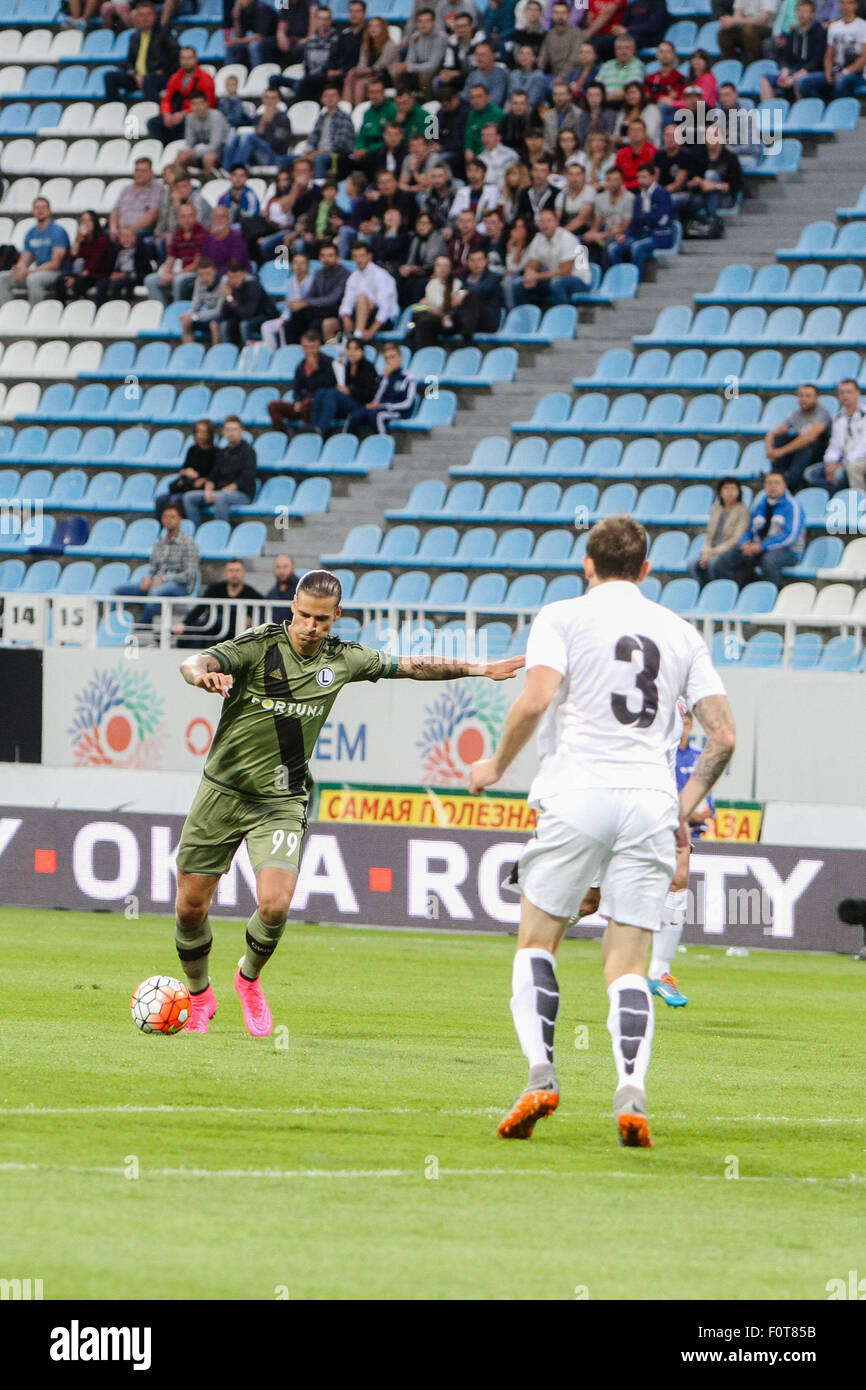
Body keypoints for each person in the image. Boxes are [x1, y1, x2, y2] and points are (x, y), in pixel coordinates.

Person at [467, 513, 735, 1147]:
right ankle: (632, 1091)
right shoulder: (680, 632)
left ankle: (540, 1076)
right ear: (646, 571)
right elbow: (724, 736)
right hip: (648, 800)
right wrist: (683, 805)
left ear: (587, 566)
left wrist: (494, 765)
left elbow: (534, 701)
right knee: (627, 963)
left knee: (536, 942)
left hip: (577, 790)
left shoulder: (561, 617)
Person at [174, 569, 523, 1034]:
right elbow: (194, 662)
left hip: (280, 800)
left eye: (321, 619)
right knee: (190, 908)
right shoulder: (258, 645)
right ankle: (199, 998)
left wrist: (480, 668)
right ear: (291, 609)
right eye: (302, 616)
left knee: (275, 904)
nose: (310, 627)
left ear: (337, 616)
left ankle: (248, 980)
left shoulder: (345, 659)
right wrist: (202, 678)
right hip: (221, 792)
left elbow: (412, 666)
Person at [648, 704, 716, 1011]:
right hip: (620, 796)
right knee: (589, 902)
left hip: (662, 803)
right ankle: (539, 928)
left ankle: (660, 971)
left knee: (680, 871)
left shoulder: (679, 689)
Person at [714, 470, 805, 587]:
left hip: (787, 551)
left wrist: (761, 546)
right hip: (757, 548)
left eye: (777, 483)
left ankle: (771, 595)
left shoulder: (793, 506)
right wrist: (745, 543)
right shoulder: (760, 505)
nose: (773, 486)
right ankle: (732, 594)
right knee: (724, 560)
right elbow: (749, 530)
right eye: (769, 483)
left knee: (768, 561)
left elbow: (789, 536)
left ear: (784, 485)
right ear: (765, 486)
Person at [114, 503, 199, 624]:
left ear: (180, 519)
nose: (168, 520)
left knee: (155, 592)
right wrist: (148, 578)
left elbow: (189, 575)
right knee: (118, 591)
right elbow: (153, 568)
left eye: (172, 517)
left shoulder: (189, 543)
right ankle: (114, 626)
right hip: (157, 582)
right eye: (165, 517)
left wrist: (164, 579)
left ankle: (144, 629)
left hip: (180, 586)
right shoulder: (159, 543)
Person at [183, 416, 258, 526]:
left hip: (242, 494)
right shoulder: (222, 452)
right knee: (189, 497)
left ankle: (219, 531)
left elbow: (247, 477)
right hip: (219, 491)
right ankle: (195, 532)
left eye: (234, 430)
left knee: (220, 497)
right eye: (228, 430)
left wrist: (225, 490)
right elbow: (213, 474)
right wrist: (208, 489)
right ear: (223, 432)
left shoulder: (248, 452)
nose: (231, 433)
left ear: (242, 431)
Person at [173, 559, 263, 649]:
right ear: (225, 573)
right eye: (231, 571)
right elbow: (200, 608)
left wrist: (251, 619)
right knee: (193, 634)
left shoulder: (253, 595)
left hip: (235, 634)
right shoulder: (214, 589)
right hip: (211, 631)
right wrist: (184, 623)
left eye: (237, 570)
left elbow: (260, 614)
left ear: (244, 573)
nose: (234, 574)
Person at [606, 159, 674, 278]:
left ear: (653, 177)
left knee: (637, 246)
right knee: (614, 248)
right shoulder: (638, 198)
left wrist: (645, 215)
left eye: (644, 177)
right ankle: (620, 279)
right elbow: (634, 223)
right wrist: (625, 235)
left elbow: (663, 220)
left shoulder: (663, 194)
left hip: (659, 235)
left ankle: (636, 280)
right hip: (641, 235)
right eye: (639, 177)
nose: (640, 181)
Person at [514, 205, 592, 307]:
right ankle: (528, 319)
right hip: (553, 278)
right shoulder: (538, 238)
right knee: (519, 284)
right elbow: (532, 264)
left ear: (556, 222)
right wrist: (529, 275)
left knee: (557, 283)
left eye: (549, 220)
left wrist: (537, 276)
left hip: (578, 280)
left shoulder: (568, 238)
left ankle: (563, 318)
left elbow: (565, 272)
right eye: (542, 221)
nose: (545, 224)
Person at [103, 2, 178, 104]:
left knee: (149, 79)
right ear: (137, 17)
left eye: (148, 14)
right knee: (110, 76)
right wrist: (135, 74)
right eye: (141, 15)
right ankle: (114, 109)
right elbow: (129, 62)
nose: (145, 18)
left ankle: (149, 110)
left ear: (155, 16)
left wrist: (164, 70)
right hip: (138, 77)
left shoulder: (164, 33)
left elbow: (176, 55)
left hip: (157, 77)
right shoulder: (134, 37)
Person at [0, 198, 70, 306]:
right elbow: (25, 258)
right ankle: (7, 312)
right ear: (32, 211)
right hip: (37, 270)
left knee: (33, 279)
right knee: (3, 277)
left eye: (43, 207)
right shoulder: (31, 233)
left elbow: (55, 264)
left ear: (49, 211)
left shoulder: (58, 231)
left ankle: (35, 312)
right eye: (37, 208)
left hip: (56, 272)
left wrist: (29, 272)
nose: (40, 210)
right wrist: (19, 269)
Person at [764, 383, 832, 492]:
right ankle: (776, 476)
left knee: (805, 445)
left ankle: (790, 484)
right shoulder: (797, 414)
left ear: (816, 398)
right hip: (800, 452)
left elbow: (809, 437)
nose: (803, 399)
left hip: (819, 453)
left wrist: (781, 452)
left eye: (808, 396)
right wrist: (770, 450)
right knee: (780, 439)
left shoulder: (822, 414)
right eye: (801, 396)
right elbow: (773, 433)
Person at [802, 379, 866, 493]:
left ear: (857, 393)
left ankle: (859, 502)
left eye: (848, 392)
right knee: (810, 474)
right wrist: (830, 463)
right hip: (841, 461)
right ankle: (837, 497)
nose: (845, 396)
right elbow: (834, 445)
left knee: (842, 472)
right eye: (841, 392)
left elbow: (863, 447)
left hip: (859, 459)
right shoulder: (838, 418)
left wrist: (841, 464)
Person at [146, 43, 216, 146]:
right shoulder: (175, 77)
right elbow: (166, 99)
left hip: (194, 114)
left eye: (189, 58)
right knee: (153, 123)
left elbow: (209, 103)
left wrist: (184, 113)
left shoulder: (205, 78)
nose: (186, 61)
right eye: (183, 58)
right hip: (175, 114)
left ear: (195, 59)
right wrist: (166, 113)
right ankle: (162, 150)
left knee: (189, 121)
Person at [687, 477, 752, 586]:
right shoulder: (716, 508)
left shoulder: (743, 511)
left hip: (732, 551)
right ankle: (703, 590)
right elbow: (709, 535)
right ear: (720, 492)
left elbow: (735, 540)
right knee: (692, 564)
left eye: (733, 489)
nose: (730, 492)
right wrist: (705, 552)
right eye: (726, 488)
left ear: (739, 492)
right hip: (712, 551)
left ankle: (717, 589)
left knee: (714, 563)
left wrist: (712, 553)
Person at [268, 330, 337, 432]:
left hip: (319, 404)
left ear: (319, 347)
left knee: (307, 404)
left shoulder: (328, 362)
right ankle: (282, 437)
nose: (309, 351)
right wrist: (297, 402)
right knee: (273, 406)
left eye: (312, 347)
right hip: (303, 404)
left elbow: (329, 386)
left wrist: (315, 371)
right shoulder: (301, 366)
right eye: (306, 347)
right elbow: (297, 389)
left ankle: (310, 432)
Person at [310, 334, 379, 434]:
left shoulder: (368, 368)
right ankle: (314, 426)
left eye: (355, 349)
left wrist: (349, 390)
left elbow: (368, 393)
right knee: (321, 392)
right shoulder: (345, 367)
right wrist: (336, 369)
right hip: (345, 403)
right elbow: (330, 384)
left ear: (362, 351)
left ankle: (321, 429)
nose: (352, 352)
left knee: (332, 394)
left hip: (360, 404)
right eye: (349, 349)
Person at [760, 0, 827, 100]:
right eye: (799, 11)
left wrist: (794, 77)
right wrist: (784, 73)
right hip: (794, 70)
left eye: (805, 11)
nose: (801, 14)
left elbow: (816, 62)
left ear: (813, 14)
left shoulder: (820, 32)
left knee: (799, 81)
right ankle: (769, 113)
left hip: (813, 72)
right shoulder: (793, 32)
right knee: (765, 78)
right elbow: (785, 57)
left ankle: (800, 114)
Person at [798, 0, 866, 97]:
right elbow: (829, 55)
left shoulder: (863, 26)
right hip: (836, 71)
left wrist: (844, 72)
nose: (845, 6)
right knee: (803, 82)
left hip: (857, 75)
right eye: (842, 3)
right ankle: (823, 108)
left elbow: (864, 58)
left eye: (849, 3)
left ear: (856, 5)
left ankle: (840, 109)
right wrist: (828, 72)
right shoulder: (834, 27)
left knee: (840, 81)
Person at [346, 342, 417, 434]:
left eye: (392, 357)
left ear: (400, 357)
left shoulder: (409, 377)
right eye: (386, 358)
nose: (389, 361)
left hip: (399, 411)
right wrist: (383, 379)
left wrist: (383, 406)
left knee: (377, 415)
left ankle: (382, 443)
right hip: (381, 408)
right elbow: (376, 399)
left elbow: (408, 403)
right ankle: (347, 444)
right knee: (355, 415)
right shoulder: (384, 376)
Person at [144, 202, 206, 305]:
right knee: (150, 280)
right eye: (183, 216)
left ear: (195, 216)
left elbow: (197, 264)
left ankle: (177, 311)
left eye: (190, 216)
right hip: (182, 272)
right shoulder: (177, 234)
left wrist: (173, 276)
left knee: (178, 281)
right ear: (179, 218)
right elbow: (170, 257)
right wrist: (166, 273)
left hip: (197, 273)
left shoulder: (202, 233)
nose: (187, 220)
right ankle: (162, 311)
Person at [156, 419, 219, 514]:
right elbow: (183, 470)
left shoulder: (216, 452)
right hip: (187, 485)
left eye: (204, 432)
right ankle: (162, 527)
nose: (201, 435)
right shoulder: (192, 450)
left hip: (199, 488)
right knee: (161, 499)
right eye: (198, 432)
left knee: (176, 500)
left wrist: (202, 479)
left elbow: (215, 474)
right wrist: (187, 472)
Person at [339, 241, 400, 339]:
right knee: (333, 321)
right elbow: (347, 301)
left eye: (361, 256)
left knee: (362, 298)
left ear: (369, 256)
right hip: (362, 315)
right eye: (355, 256)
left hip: (384, 320)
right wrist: (346, 318)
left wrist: (371, 331)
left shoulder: (381, 275)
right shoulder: (353, 277)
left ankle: (357, 338)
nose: (358, 260)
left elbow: (385, 308)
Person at [223, 88, 293, 171]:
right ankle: (226, 170)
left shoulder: (283, 119)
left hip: (274, 157)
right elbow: (242, 122)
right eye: (266, 97)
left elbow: (278, 145)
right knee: (234, 136)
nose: (269, 101)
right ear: (262, 99)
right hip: (256, 155)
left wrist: (268, 123)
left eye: (273, 98)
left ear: (278, 100)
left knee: (248, 137)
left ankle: (238, 170)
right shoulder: (258, 117)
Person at [260, 252, 315, 350]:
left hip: (305, 316)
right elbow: (287, 305)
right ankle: (273, 352)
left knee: (288, 326)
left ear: (307, 266)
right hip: (288, 315)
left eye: (302, 263)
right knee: (266, 326)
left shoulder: (313, 281)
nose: (298, 266)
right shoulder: (289, 282)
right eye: (296, 263)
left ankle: (288, 350)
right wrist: (284, 318)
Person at [56, 211, 113, 302]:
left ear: (94, 222)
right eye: (83, 221)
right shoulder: (82, 240)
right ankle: (61, 306)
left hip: (98, 274)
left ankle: (79, 305)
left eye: (88, 221)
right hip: (82, 273)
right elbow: (71, 258)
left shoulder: (102, 240)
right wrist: (78, 241)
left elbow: (95, 263)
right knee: (60, 280)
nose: (85, 224)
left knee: (79, 282)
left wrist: (75, 278)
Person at [303, 83, 358, 180]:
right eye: (326, 96)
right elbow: (313, 136)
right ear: (322, 99)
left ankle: (318, 189)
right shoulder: (322, 117)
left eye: (333, 95)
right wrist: (308, 150)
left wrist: (319, 153)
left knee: (319, 160)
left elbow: (341, 143)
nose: (330, 99)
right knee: (292, 159)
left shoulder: (344, 117)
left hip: (334, 155)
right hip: (319, 152)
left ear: (339, 98)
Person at [394, 8, 448, 100]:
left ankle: (429, 105)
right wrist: (405, 67)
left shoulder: (440, 37)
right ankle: (405, 104)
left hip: (438, 69)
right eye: (420, 21)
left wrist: (409, 67)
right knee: (399, 74)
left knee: (425, 77)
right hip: (419, 67)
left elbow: (433, 65)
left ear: (433, 22)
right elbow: (410, 59)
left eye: (427, 21)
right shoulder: (415, 37)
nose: (423, 25)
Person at [452, 245, 504, 341]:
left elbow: (483, 289)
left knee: (470, 297)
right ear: (468, 263)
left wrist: (464, 292)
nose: (476, 264)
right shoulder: (464, 280)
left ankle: (466, 336)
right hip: (468, 319)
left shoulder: (493, 277)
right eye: (472, 260)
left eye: (479, 260)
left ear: (485, 261)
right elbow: (458, 300)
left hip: (488, 321)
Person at [219, 260, 275, 345]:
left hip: (265, 316)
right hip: (246, 317)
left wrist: (230, 299)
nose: (234, 280)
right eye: (231, 277)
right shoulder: (231, 288)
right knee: (225, 324)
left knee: (244, 324)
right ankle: (229, 352)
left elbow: (247, 314)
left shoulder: (253, 285)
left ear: (244, 274)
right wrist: (227, 297)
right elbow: (224, 316)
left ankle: (247, 352)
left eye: (237, 276)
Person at [176, 93, 229, 182]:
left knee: (208, 158)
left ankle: (210, 186)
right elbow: (189, 142)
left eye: (200, 103)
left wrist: (194, 152)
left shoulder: (216, 116)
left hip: (222, 152)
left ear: (207, 104)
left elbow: (215, 145)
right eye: (194, 104)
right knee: (181, 156)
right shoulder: (190, 118)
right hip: (201, 153)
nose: (198, 107)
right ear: (190, 106)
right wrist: (185, 152)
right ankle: (184, 186)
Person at [109, 156, 162, 242]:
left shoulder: (157, 188)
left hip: (141, 229)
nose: (139, 174)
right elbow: (115, 210)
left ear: (151, 172)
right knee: (103, 237)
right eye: (137, 170)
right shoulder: (127, 188)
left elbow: (152, 214)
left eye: (143, 171)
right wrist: (113, 228)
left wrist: (131, 230)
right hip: (121, 229)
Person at [98, 223, 151, 303]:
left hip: (134, 277)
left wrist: (123, 274)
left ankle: (117, 308)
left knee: (115, 284)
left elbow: (142, 270)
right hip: (118, 275)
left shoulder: (140, 250)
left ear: (134, 237)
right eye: (123, 236)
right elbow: (111, 266)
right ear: (119, 238)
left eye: (128, 236)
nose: (126, 239)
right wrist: (112, 274)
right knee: (102, 284)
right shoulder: (117, 250)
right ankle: (101, 308)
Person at [180, 260, 223, 346]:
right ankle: (188, 352)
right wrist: (187, 315)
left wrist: (195, 316)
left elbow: (219, 311)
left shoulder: (223, 282)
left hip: (224, 316)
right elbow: (196, 305)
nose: (205, 277)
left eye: (208, 274)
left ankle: (214, 354)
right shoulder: (199, 282)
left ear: (215, 272)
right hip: (208, 315)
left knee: (214, 325)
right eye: (201, 274)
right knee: (186, 322)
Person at [226, 0, 280, 67]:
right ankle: (231, 73)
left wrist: (236, 41)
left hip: (275, 41)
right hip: (258, 41)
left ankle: (257, 72)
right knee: (233, 46)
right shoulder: (243, 11)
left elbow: (259, 36)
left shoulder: (262, 9)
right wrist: (236, 19)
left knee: (254, 45)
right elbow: (239, 35)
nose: (239, 2)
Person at [538, 0, 583, 76]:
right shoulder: (550, 34)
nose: (560, 16)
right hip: (554, 74)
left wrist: (562, 76)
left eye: (563, 13)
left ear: (568, 15)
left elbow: (574, 59)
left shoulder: (577, 33)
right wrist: (538, 70)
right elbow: (543, 56)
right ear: (552, 15)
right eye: (556, 13)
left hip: (572, 74)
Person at [596, 33, 646, 103]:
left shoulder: (637, 65)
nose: (623, 51)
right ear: (615, 50)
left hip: (624, 104)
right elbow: (596, 86)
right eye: (619, 48)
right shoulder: (607, 65)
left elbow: (630, 91)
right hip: (601, 103)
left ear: (634, 50)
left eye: (627, 48)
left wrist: (602, 98)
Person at [265, 555, 299, 622]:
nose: (281, 571)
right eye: (278, 567)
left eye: (285, 567)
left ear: (293, 568)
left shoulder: (302, 590)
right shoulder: (271, 594)